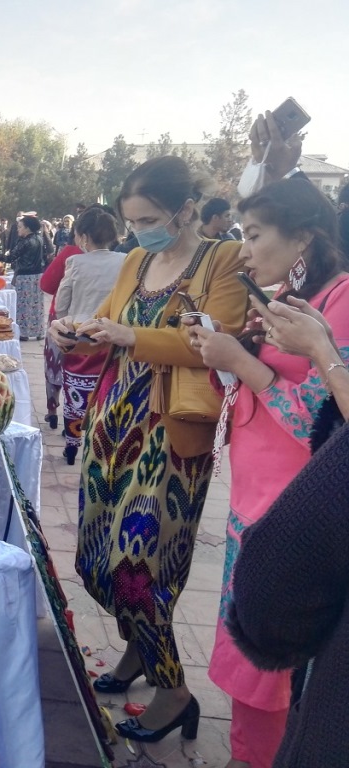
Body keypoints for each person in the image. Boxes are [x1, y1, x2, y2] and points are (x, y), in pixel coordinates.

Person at [49, 156, 247, 743]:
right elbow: (108, 326)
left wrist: (131, 334)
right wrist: (74, 332)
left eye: (148, 220)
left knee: (138, 567)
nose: (138, 233)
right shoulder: (135, 261)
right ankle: (139, 651)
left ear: (185, 210)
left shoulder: (222, 260)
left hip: (170, 435)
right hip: (113, 425)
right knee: (94, 558)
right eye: (132, 222)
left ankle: (174, 691)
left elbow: (216, 342)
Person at [187, 178, 349, 768]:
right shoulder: (289, 297)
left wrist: (244, 363)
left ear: (303, 236)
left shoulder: (340, 300)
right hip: (255, 496)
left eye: (254, 235)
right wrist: (230, 353)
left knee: (273, 656)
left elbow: (324, 422)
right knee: (248, 641)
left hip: (295, 508)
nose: (244, 252)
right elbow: (264, 390)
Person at [226, 418, 349, 766]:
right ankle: (243, 750)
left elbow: (271, 600)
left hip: (294, 502)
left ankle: (251, 755)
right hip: (260, 496)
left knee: (268, 681)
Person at [53, 206, 125, 464]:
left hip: (81, 338)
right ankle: (103, 444)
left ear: (83, 236)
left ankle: (72, 446)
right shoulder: (126, 261)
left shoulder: (76, 262)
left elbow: (62, 303)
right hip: (113, 337)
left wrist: (67, 318)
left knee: (75, 394)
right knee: (109, 393)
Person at [39, 223, 83, 432]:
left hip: (63, 318)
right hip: (99, 320)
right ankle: (76, 417)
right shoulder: (119, 257)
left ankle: (53, 410)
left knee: (56, 363)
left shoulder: (71, 253)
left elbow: (47, 284)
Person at [9, 214, 47, 341]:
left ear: (27, 228)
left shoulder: (25, 241)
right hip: (38, 275)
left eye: (20, 227)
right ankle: (39, 331)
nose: (18, 229)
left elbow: (11, 257)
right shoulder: (39, 238)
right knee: (37, 304)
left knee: (23, 305)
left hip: (25, 276)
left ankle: (24, 332)